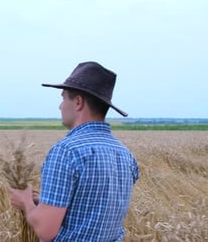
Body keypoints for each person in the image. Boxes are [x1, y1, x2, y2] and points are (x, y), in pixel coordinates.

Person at [9, 61, 139, 242]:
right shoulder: (125, 154)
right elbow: (92, 208)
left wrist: (26, 202)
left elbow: (46, 230)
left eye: (63, 98)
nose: (60, 106)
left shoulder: (66, 151)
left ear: (78, 102)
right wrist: (44, 202)